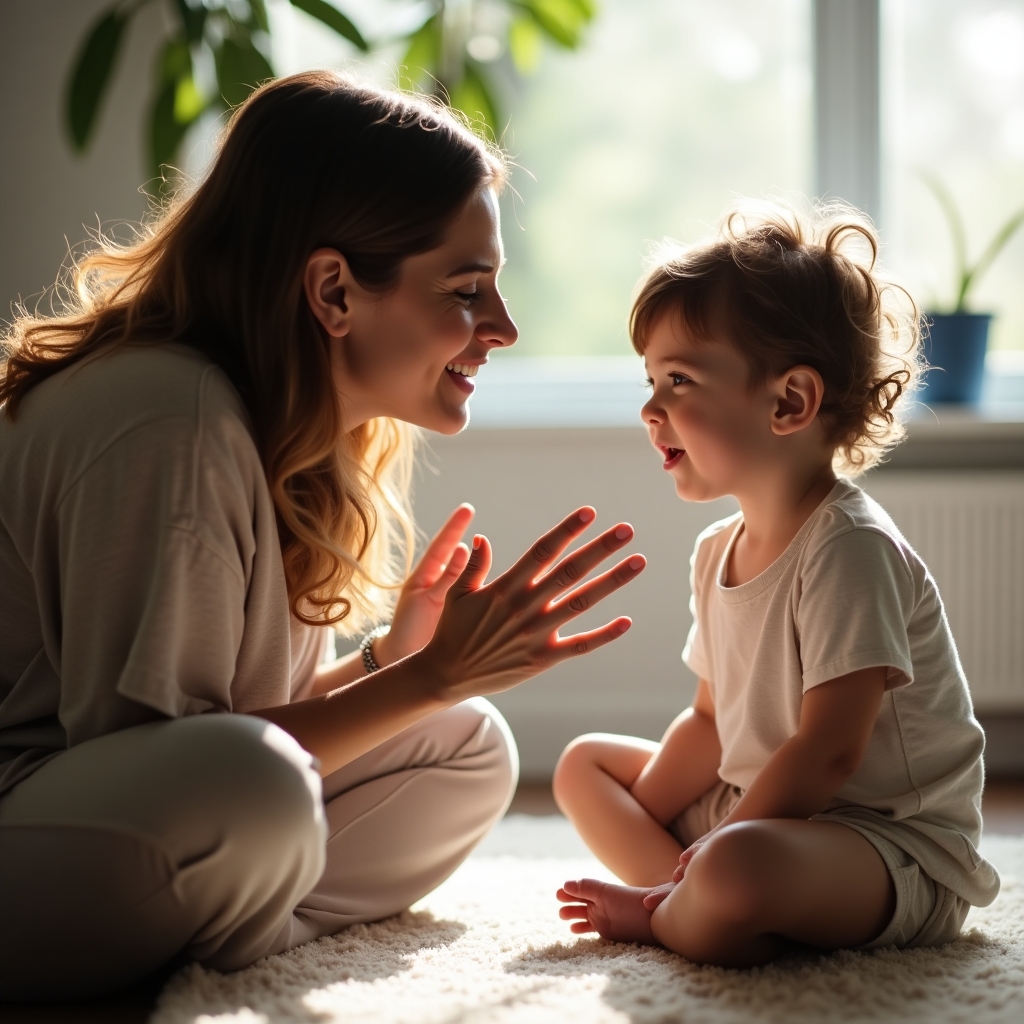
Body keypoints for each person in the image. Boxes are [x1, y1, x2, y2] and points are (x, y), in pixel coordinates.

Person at [0, 71, 646, 1000]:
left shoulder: (288, 432)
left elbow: (239, 723)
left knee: (467, 744)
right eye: (467, 290)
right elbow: (159, 757)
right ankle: (224, 931)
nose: (502, 327)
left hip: (154, 808)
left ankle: (225, 932)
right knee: (259, 788)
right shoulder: (167, 417)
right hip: (38, 805)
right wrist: (429, 674)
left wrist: (397, 662)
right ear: (334, 290)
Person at [552, 204, 1000, 967]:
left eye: (680, 380)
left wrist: (718, 845)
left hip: (882, 843)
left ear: (789, 401)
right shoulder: (715, 550)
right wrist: (650, 812)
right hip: (765, 808)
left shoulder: (848, 547)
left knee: (735, 867)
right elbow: (709, 722)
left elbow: (828, 751)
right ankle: (687, 897)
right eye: (651, 380)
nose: (650, 407)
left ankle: (681, 905)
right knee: (583, 766)